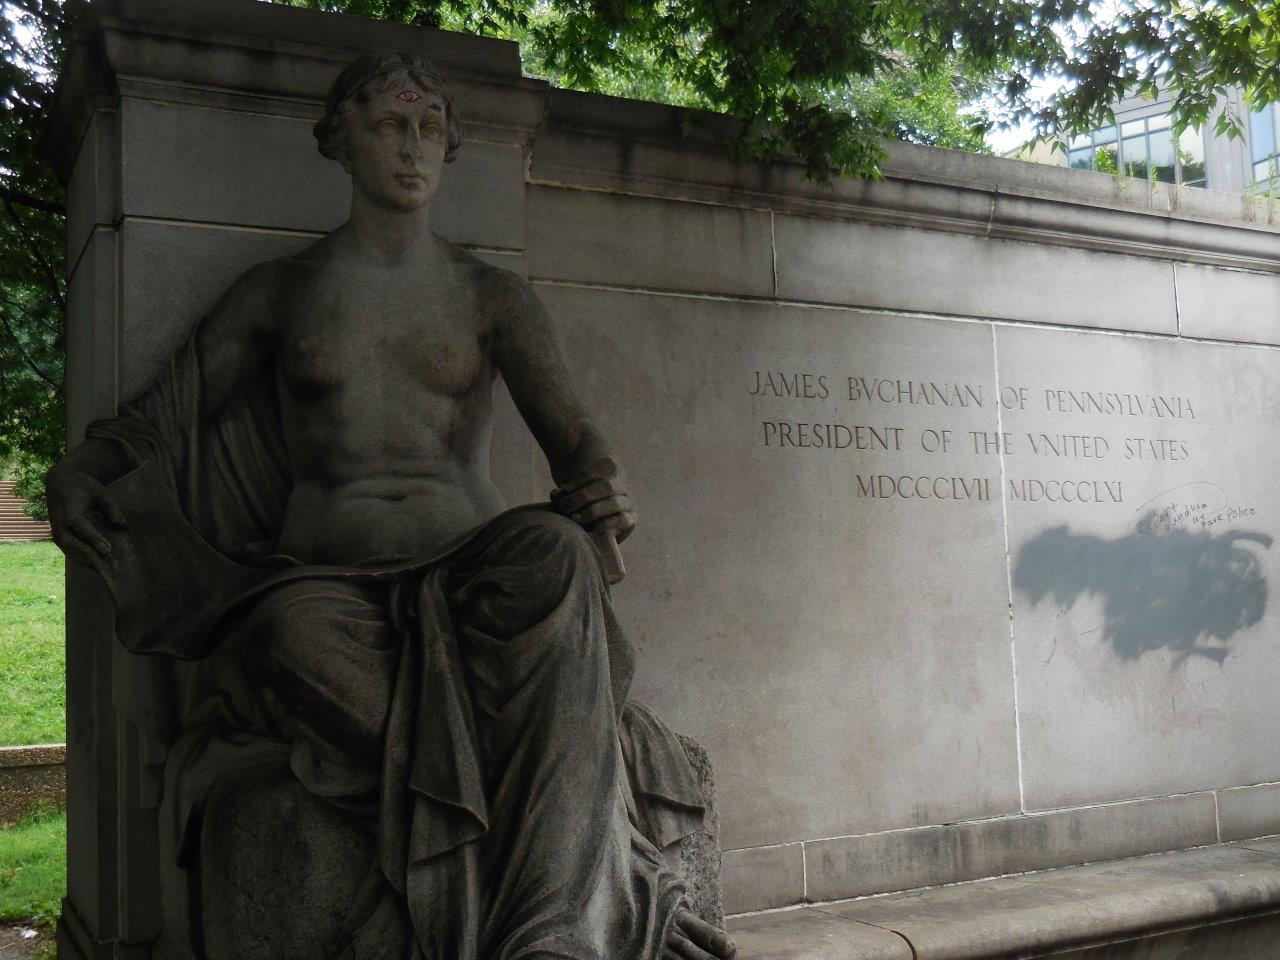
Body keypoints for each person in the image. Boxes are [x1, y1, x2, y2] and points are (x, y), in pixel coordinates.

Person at [47, 52, 735, 960]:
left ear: (449, 150)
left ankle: (552, 937)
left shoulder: (492, 296)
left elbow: (579, 443)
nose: (413, 149)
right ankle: (583, 839)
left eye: (431, 129)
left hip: (474, 571)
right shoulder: (280, 295)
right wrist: (81, 470)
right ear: (339, 142)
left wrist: (602, 490)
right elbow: (161, 421)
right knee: (277, 639)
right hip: (328, 585)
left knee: (558, 557)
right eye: (388, 125)